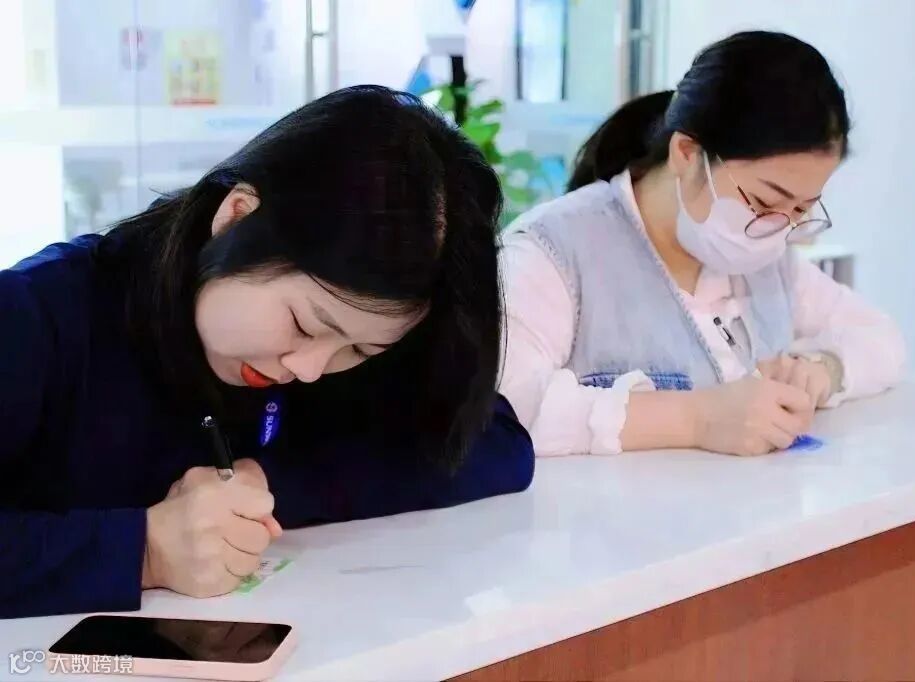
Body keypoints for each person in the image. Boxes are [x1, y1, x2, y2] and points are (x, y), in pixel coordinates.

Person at [0, 86, 534, 619]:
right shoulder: (34, 316)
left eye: (360, 349)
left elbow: (493, 444)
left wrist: (265, 484)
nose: (310, 369)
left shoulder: (345, 329)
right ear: (237, 215)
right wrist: (142, 551)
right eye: (303, 323)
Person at [499, 31, 904, 458]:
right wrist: (694, 418)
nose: (777, 228)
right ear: (687, 153)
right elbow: (501, 409)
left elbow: (881, 339)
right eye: (764, 202)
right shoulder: (555, 253)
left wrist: (823, 370)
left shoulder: (770, 264)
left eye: (801, 210)